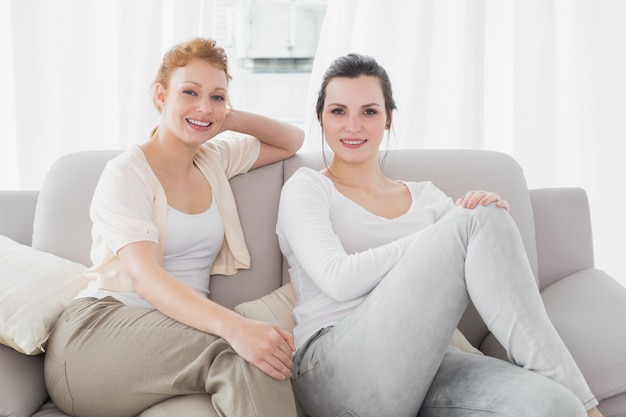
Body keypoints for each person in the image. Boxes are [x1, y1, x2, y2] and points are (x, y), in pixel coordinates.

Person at [276, 53, 604, 417]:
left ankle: (579, 404)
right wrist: (448, 232)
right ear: (321, 117)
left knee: (557, 406)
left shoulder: (427, 198)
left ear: (388, 120)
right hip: (332, 369)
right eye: (338, 111)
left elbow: (482, 256)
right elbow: (339, 280)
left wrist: (478, 220)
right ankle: (593, 410)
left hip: (426, 362)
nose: (353, 125)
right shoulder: (306, 188)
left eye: (369, 111)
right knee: (472, 219)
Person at [44, 37, 304, 417]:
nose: (204, 106)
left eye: (217, 96)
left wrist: (222, 116)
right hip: (96, 338)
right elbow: (146, 278)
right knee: (246, 350)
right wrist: (235, 328)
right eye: (190, 92)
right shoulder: (127, 173)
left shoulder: (214, 160)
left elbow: (292, 140)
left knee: (254, 354)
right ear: (161, 95)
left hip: (170, 347)